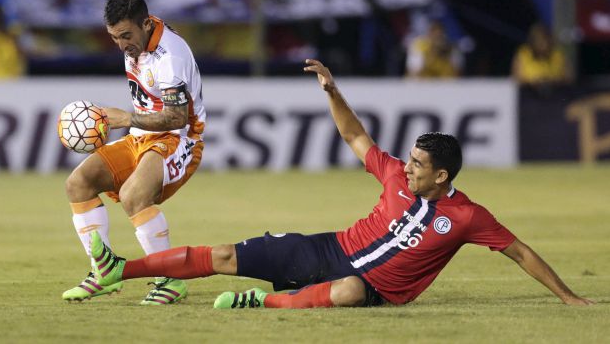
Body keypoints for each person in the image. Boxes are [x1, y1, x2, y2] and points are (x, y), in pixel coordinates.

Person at [83, 58, 592, 309]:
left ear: (442, 176)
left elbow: (520, 252)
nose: (407, 166)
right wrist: (333, 91)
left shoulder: (467, 218)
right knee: (221, 255)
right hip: (327, 250)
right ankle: (119, 269)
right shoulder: (393, 174)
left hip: (370, 288)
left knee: (348, 292)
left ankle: (262, 304)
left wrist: (569, 298)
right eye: (409, 160)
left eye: (418, 164)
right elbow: (354, 134)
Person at [62, 0, 206, 305]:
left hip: (179, 139)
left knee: (134, 196)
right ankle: (103, 271)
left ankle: (169, 279)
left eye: (126, 36)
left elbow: (176, 116)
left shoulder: (171, 55)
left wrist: (125, 117)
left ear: (145, 23)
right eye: (114, 37)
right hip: (141, 137)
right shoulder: (136, 41)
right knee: (78, 183)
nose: (122, 44)